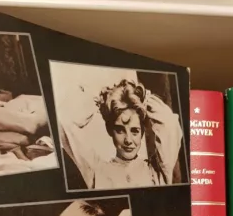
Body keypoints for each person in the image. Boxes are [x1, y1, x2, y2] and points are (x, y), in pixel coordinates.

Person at [55, 73, 183, 190]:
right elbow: (63, 122)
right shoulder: (96, 170)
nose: (128, 140)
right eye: (120, 130)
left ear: (142, 133)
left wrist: (144, 99)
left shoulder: (156, 171)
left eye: (135, 131)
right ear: (110, 130)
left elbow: (170, 124)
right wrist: (99, 100)